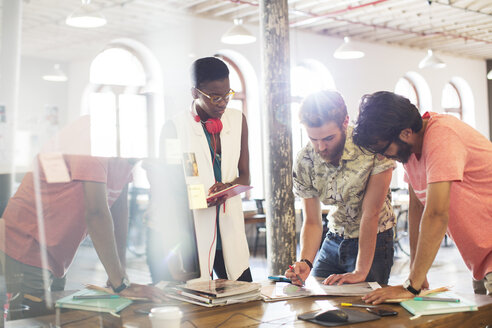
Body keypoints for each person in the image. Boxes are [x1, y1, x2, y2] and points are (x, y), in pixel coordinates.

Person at [351, 91, 492, 303]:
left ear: (406, 133)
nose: (382, 157)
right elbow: (417, 207)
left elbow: (436, 214)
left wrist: (412, 286)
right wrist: (416, 272)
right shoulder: (410, 152)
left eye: (383, 148)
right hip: (481, 257)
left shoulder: (442, 137)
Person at [0, 154, 165, 315]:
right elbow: (96, 214)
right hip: (27, 240)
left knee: (54, 317)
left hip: (57, 249)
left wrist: (121, 275)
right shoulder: (93, 147)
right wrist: (120, 284)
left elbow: (118, 210)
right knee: (34, 318)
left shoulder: (123, 156)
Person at [147, 56, 252, 282]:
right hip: (191, 230)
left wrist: (228, 188)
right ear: (195, 93)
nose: (223, 103)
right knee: (198, 302)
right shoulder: (174, 128)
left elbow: (245, 175)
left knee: (242, 296)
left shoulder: (238, 120)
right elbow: (170, 186)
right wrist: (199, 200)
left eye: (227, 95)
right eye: (215, 97)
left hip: (230, 228)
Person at [285, 90, 396, 286]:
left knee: (363, 307)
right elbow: (312, 221)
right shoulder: (305, 159)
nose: (320, 147)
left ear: (345, 122)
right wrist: (305, 262)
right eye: (313, 139)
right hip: (334, 238)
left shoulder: (372, 148)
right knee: (313, 298)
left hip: (375, 239)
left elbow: (370, 214)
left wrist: (361, 271)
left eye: (328, 138)